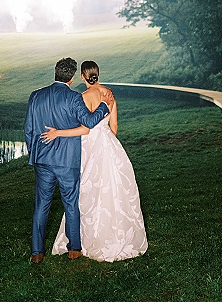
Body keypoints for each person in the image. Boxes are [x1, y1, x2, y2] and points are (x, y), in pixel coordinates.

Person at [43, 60, 148, 262]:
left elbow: (85, 129)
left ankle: (86, 239)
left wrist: (58, 133)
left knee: (86, 191)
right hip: (109, 145)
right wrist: (107, 142)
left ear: (82, 76)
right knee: (114, 191)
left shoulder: (83, 97)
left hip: (89, 146)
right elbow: (114, 127)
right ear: (97, 74)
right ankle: (117, 236)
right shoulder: (109, 95)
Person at [24, 57, 114, 264]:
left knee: (41, 205)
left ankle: (37, 252)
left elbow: (29, 129)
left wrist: (35, 155)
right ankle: (74, 249)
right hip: (67, 161)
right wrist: (104, 105)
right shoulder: (74, 98)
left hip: (43, 161)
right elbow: (90, 122)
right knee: (71, 203)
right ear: (72, 78)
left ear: (56, 72)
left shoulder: (35, 96)